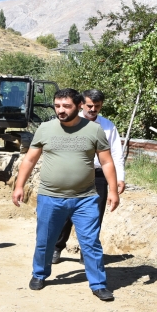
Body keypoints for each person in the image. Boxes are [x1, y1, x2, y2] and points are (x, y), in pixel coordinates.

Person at [11, 88, 120, 301]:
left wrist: (113, 190)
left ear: (79, 106)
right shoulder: (45, 129)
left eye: (66, 106)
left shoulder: (94, 130)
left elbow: (107, 161)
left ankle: (98, 284)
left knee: (90, 242)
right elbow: (30, 160)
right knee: (45, 240)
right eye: (57, 106)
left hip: (85, 198)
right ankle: (39, 274)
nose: (61, 110)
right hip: (50, 197)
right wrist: (19, 186)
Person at [52, 88, 126, 264]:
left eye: (97, 106)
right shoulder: (69, 123)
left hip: (98, 176)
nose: (93, 110)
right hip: (72, 175)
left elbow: (116, 154)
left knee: (94, 215)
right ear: (81, 104)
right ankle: (56, 247)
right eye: (90, 105)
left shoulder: (108, 126)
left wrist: (119, 178)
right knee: (66, 213)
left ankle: (87, 252)